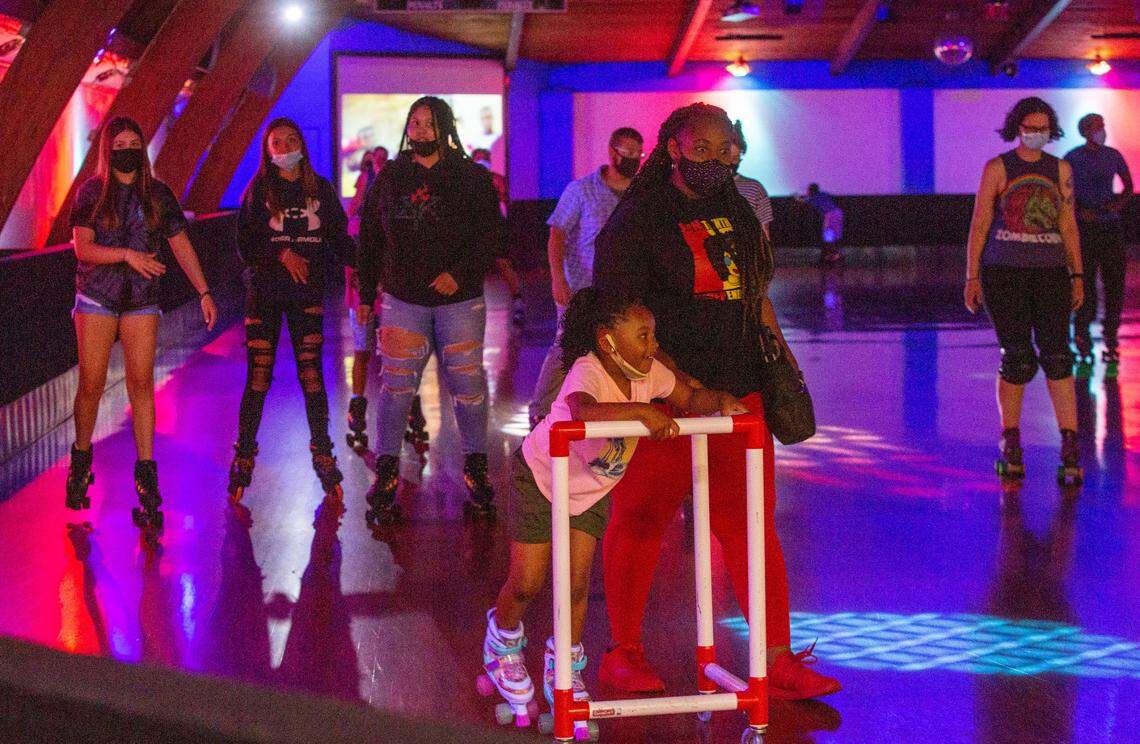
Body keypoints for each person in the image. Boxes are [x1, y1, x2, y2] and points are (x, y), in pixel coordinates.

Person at [592, 102, 840, 700]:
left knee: (751, 524)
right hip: (662, 399)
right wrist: (684, 390)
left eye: (726, 149)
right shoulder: (638, 219)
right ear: (673, 148)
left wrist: (779, 362)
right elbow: (623, 323)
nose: (718, 160)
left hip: (738, 394)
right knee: (642, 518)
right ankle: (622, 652)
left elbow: (755, 297)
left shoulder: (736, 208)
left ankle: (775, 656)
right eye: (702, 150)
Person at [481, 289, 747, 727]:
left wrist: (717, 400)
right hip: (541, 477)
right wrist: (641, 411)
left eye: (653, 335)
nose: (653, 346)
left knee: (576, 585)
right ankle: (502, 642)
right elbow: (581, 409)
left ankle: (564, 665)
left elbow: (686, 397)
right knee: (527, 582)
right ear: (608, 341)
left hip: (589, 491)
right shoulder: (587, 370)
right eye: (643, 336)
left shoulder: (649, 373)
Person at [357, 96, 505, 523]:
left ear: (444, 128)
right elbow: (369, 239)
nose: (420, 131)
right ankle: (386, 471)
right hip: (403, 301)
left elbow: (492, 234)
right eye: (415, 123)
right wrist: (367, 296)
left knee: (469, 388)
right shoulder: (390, 176)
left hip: (459, 301)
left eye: (429, 124)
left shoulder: (469, 177)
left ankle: (476, 468)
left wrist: (460, 273)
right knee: (395, 390)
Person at [65, 116, 217, 530]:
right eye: (120, 143)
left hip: (142, 299)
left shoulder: (158, 194)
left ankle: (147, 476)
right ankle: (80, 462)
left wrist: (203, 290)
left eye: (134, 142)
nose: (127, 149)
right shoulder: (93, 192)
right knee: (92, 383)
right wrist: (128, 255)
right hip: (97, 294)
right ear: (108, 150)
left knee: (140, 383)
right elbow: (83, 248)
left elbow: (179, 242)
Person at [226, 117, 355, 503]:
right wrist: (282, 253)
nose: (283, 147)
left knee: (312, 375)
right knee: (260, 376)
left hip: (306, 295)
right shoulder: (259, 189)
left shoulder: (320, 190)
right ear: (267, 150)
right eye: (276, 142)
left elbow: (339, 239)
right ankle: (244, 455)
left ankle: (323, 454)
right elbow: (244, 243)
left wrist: (373, 268)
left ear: (302, 144)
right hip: (265, 294)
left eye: (290, 140)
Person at [963, 96, 1085, 487]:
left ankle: (1069, 444)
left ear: (1052, 130)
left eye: (1043, 127)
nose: (1037, 133)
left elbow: (1068, 225)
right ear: (1017, 128)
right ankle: (1011, 442)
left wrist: (1077, 274)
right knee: (1016, 357)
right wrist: (972, 276)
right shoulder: (998, 167)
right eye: (1030, 127)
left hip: (1050, 272)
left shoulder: (1060, 169)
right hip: (1004, 272)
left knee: (1057, 355)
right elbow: (980, 222)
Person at [528, 126, 644, 427]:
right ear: (611, 151)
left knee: (620, 344)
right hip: (581, 286)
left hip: (624, 287)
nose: (632, 159)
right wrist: (557, 278)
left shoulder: (640, 193)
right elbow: (557, 234)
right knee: (566, 344)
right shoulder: (581, 190)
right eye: (627, 152)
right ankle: (541, 409)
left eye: (637, 154)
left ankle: (612, 406)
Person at [1064, 113, 1133, 378]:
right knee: (1084, 284)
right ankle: (1081, 337)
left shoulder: (1113, 155)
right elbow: (1065, 191)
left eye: (1102, 126)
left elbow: (1128, 186)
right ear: (1085, 131)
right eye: (1096, 127)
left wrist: (1116, 205)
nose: (1101, 131)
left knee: (1114, 283)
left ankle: (1111, 337)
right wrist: (1080, 211)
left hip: (1110, 226)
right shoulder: (1072, 157)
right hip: (1085, 228)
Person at [345, 146, 389, 452]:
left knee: (394, 355)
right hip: (361, 294)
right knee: (363, 351)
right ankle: (358, 406)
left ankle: (408, 407)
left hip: (386, 295)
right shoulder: (356, 223)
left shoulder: (386, 222)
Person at [473, 147, 525, 327]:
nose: (481, 162)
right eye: (477, 159)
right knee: (472, 269)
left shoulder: (496, 179)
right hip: (475, 230)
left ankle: (518, 303)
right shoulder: (467, 182)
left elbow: (506, 200)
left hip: (495, 227)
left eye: (483, 159)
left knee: (504, 265)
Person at [731, 120, 774, 241]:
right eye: (729, 157)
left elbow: (764, 231)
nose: (732, 163)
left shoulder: (754, 188)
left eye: (736, 158)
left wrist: (765, 257)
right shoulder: (707, 187)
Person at [803, 183, 843, 263]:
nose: (806, 191)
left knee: (828, 236)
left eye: (808, 190)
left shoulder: (813, 198)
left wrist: (796, 197)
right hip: (838, 213)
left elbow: (803, 201)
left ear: (811, 191)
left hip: (830, 214)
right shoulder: (822, 194)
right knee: (835, 235)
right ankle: (833, 255)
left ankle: (835, 254)